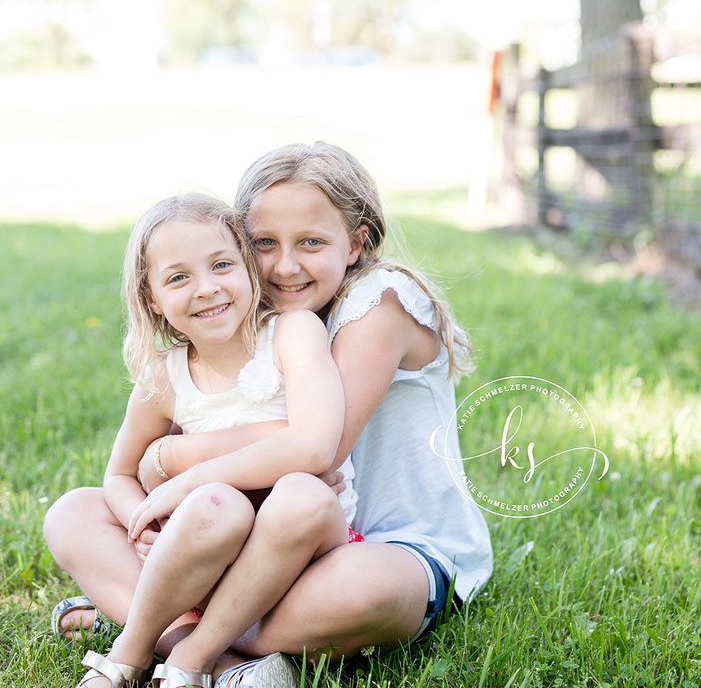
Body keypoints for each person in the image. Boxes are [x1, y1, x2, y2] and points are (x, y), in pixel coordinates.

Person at [44, 142, 493, 687]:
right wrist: (155, 489)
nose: (284, 265)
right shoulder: (244, 321)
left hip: (381, 547)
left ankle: (164, 626)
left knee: (362, 587)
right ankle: (219, 658)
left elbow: (313, 449)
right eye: (263, 243)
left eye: (310, 242)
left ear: (358, 243)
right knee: (75, 514)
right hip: (254, 538)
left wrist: (166, 457)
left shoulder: (379, 303)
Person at [63, 193, 355, 688]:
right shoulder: (164, 377)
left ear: (248, 268)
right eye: (179, 277)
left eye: (222, 265)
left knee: (275, 497)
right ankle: (182, 657)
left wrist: (186, 481)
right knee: (72, 511)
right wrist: (145, 520)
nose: (207, 289)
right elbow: (117, 473)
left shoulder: (291, 333)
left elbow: (313, 448)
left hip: (295, 548)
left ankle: (181, 655)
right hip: (203, 553)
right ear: (152, 297)